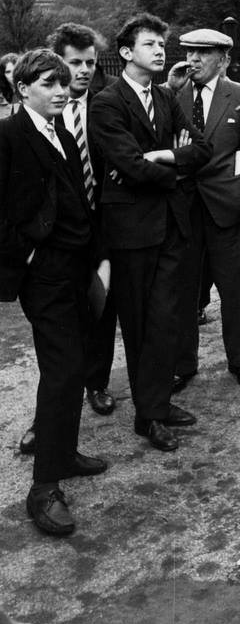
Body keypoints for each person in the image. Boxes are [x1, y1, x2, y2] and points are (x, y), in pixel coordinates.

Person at [89, 14, 211, 452]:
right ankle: (148, 416)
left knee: (166, 322)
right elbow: (126, 165)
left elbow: (201, 149)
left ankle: (157, 404)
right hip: (130, 233)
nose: (161, 51)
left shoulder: (165, 97)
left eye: (162, 44)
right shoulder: (106, 102)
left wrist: (162, 158)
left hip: (168, 228)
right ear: (126, 53)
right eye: (150, 44)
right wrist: (170, 167)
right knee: (139, 325)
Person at [0, 49, 108, 536]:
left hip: (75, 268)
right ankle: (43, 488)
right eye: (48, 83)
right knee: (63, 370)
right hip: (43, 275)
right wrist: (26, 257)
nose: (61, 90)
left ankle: (63, 454)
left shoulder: (60, 130)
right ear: (23, 89)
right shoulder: (9, 135)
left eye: (63, 83)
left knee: (77, 363)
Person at [17, 24, 119, 457]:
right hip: (51, 255)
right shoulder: (28, 128)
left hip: (94, 239)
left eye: (88, 64)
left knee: (92, 326)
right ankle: (48, 441)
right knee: (59, 353)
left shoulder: (92, 113)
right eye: (70, 66)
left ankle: (89, 397)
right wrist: (27, 255)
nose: (78, 74)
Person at [166, 28, 240, 390]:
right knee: (184, 290)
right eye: (190, 53)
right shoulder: (174, 96)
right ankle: (183, 364)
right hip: (185, 210)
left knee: (236, 290)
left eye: (203, 53)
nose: (193, 60)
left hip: (229, 211)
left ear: (223, 59)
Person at [0, 53, 19, 120]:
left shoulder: (31, 91)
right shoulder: (1, 96)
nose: (13, 75)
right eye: (8, 72)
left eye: (15, 70)